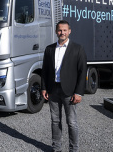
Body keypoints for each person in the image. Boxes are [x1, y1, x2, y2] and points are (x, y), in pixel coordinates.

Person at [41, 20, 87, 152]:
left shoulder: (78, 49)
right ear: (56, 31)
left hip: (70, 91)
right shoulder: (49, 49)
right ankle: (56, 148)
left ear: (69, 31)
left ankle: (74, 149)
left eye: (65, 30)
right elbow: (45, 70)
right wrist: (44, 87)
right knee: (55, 121)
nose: (62, 33)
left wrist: (79, 92)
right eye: (60, 30)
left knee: (71, 122)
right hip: (53, 89)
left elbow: (82, 71)